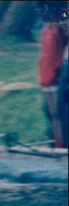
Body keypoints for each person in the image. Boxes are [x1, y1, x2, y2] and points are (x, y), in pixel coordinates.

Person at [37, 1, 68, 148]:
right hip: (46, 76)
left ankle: (61, 144)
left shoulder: (60, 28)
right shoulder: (46, 30)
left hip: (57, 76)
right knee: (50, 113)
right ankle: (55, 141)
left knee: (58, 114)